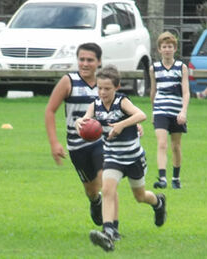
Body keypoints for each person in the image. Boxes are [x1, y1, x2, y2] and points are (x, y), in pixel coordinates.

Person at [76, 65, 166, 252]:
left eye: (107, 88)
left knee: (140, 197)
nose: (103, 92)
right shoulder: (95, 105)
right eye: (100, 88)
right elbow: (85, 121)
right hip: (112, 157)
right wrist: (79, 123)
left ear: (116, 87)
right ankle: (108, 233)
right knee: (107, 190)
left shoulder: (122, 101)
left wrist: (122, 125)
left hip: (134, 159)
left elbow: (141, 115)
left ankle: (158, 203)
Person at [44, 43, 109, 227]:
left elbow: (117, 108)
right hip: (77, 146)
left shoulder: (104, 84)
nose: (85, 64)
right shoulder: (69, 81)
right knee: (91, 190)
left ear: (99, 62)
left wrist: (133, 126)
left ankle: (111, 228)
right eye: (81, 59)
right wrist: (54, 143)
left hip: (100, 142)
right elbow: (50, 111)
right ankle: (95, 202)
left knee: (107, 181)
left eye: (90, 60)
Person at [149, 32, 190, 189]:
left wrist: (183, 111)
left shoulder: (181, 67)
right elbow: (153, 91)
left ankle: (176, 177)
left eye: (170, 47)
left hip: (176, 111)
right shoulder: (154, 68)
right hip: (160, 110)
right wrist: (153, 112)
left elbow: (186, 92)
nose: (167, 50)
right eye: (164, 47)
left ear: (175, 49)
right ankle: (162, 178)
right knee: (161, 143)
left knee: (176, 146)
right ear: (159, 49)